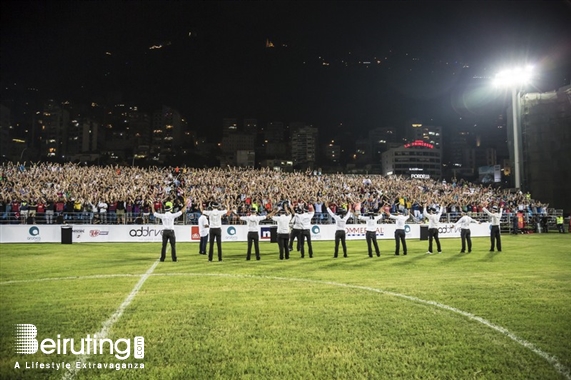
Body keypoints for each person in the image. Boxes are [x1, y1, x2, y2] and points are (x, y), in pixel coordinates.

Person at [152, 196, 187, 262]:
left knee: (164, 246)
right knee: (173, 246)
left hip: (165, 231)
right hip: (171, 231)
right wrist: (186, 205)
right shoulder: (172, 215)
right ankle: (174, 259)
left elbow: (154, 213)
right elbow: (181, 212)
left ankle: (162, 258)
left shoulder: (162, 215)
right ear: (170, 209)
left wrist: (152, 206)